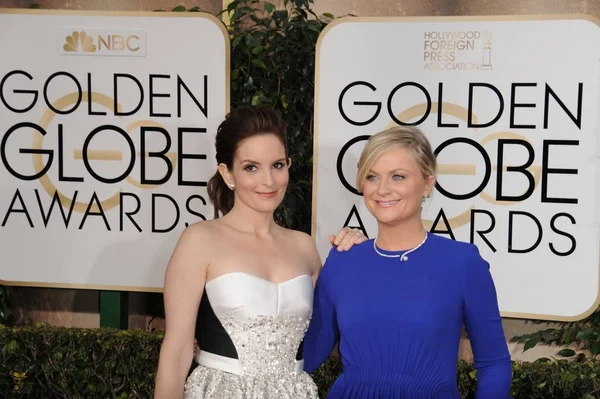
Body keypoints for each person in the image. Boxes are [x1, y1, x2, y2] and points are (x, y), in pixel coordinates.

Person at [154, 105, 366, 399]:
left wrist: (361, 254)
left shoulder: (303, 245)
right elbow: (177, 349)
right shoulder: (200, 240)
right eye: (251, 167)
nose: (268, 181)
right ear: (227, 174)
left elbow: (338, 324)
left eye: (277, 165)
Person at [303, 126, 512, 398]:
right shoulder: (343, 260)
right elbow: (312, 349)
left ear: (427, 183)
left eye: (398, 176)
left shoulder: (462, 263)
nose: (382, 189)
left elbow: (493, 362)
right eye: (372, 176)